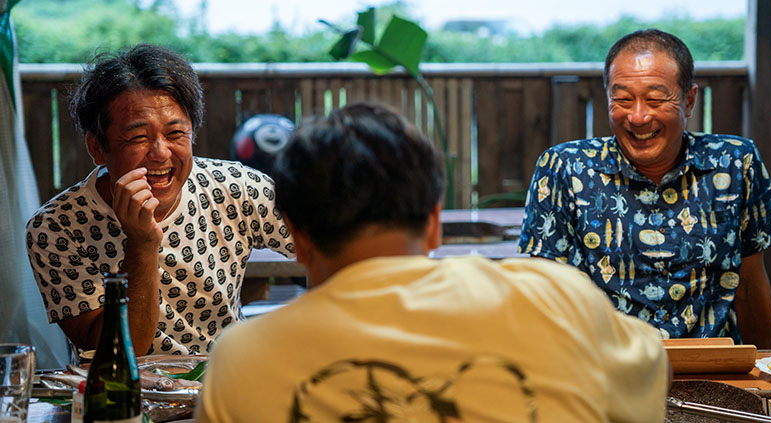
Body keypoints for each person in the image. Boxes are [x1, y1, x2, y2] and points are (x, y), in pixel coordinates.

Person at [196, 102, 669, 423]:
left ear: (296, 236)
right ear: (435, 222)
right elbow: (649, 383)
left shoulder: (242, 361)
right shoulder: (555, 295)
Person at [518, 28, 771, 348]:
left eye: (655, 99)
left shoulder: (735, 163)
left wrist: (768, 375)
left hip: (714, 370)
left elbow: (751, 286)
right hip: (605, 372)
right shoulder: (564, 168)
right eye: (623, 99)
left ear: (688, 100)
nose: (638, 116)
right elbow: (541, 295)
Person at [25, 44, 294, 356]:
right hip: (123, 395)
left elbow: (332, 243)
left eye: (176, 133)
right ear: (97, 147)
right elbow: (115, 354)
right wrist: (141, 243)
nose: (161, 153)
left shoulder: (237, 188)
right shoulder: (57, 227)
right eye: (139, 137)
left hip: (225, 382)